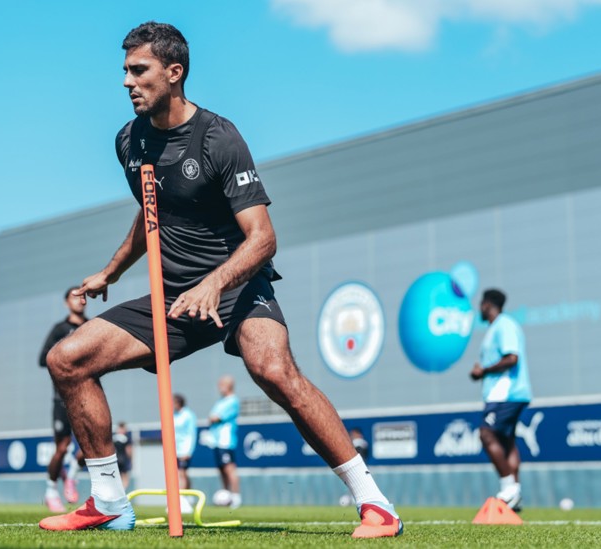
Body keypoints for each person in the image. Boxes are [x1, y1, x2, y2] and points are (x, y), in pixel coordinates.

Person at [38, 21, 402, 538]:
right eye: (124, 71)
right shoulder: (129, 141)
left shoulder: (218, 138)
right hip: (173, 299)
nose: (126, 82)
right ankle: (108, 502)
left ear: (174, 72)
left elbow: (263, 238)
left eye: (138, 70)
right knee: (67, 360)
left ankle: (375, 503)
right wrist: (112, 271)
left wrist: (214, 284)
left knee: (274, 370)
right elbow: (151, 214)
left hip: (236, 290)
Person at [470, 288, 532, 511]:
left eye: (481, 303)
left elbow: (512, 358)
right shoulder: (497, 327)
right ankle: (514, 493)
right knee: (506, 443)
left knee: (486, 434)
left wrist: (483, 371)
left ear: (488, 304)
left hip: (506, 394)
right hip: (508, 394)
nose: (480, 308)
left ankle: (510, 490)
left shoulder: (504, 325)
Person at [38, 288, 88, 512]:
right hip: (62, 398)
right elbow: (43, 359)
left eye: (83, 296)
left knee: (91, 445)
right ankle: (50, 491)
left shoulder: (91, 327)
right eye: (75, 297)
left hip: (87, 394)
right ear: (66, 302)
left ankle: (72, 477)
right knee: (62, 446)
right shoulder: (60, 329)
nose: (80, 300)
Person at [209, 376, 241, 509]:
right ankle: (226, 495)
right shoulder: (221, 401)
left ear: (229, 385)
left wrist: (214, 418)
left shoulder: (232, 401)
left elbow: (216, 417)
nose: (219, 386)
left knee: (229, 468)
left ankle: (236, 497)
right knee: (222, 470)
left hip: (225, 441)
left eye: (222, 384)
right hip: (217, 441)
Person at [173, 393, 197, 513]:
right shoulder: (174, 415)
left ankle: (181, 498)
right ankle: (188, 495)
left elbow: (192, 433)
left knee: (181, 474)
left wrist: (188, 450)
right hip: (175, 450)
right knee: (181, 474)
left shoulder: (188, 415)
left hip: (184, 450)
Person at [112, 422, 133, 490]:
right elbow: (128, 450)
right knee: (125, 477)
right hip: (124, 459)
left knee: (116, 476)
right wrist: (131, 459)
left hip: (115, 460)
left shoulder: (113, 437)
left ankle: (117, 491)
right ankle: (123, 491)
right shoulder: (126, 437)